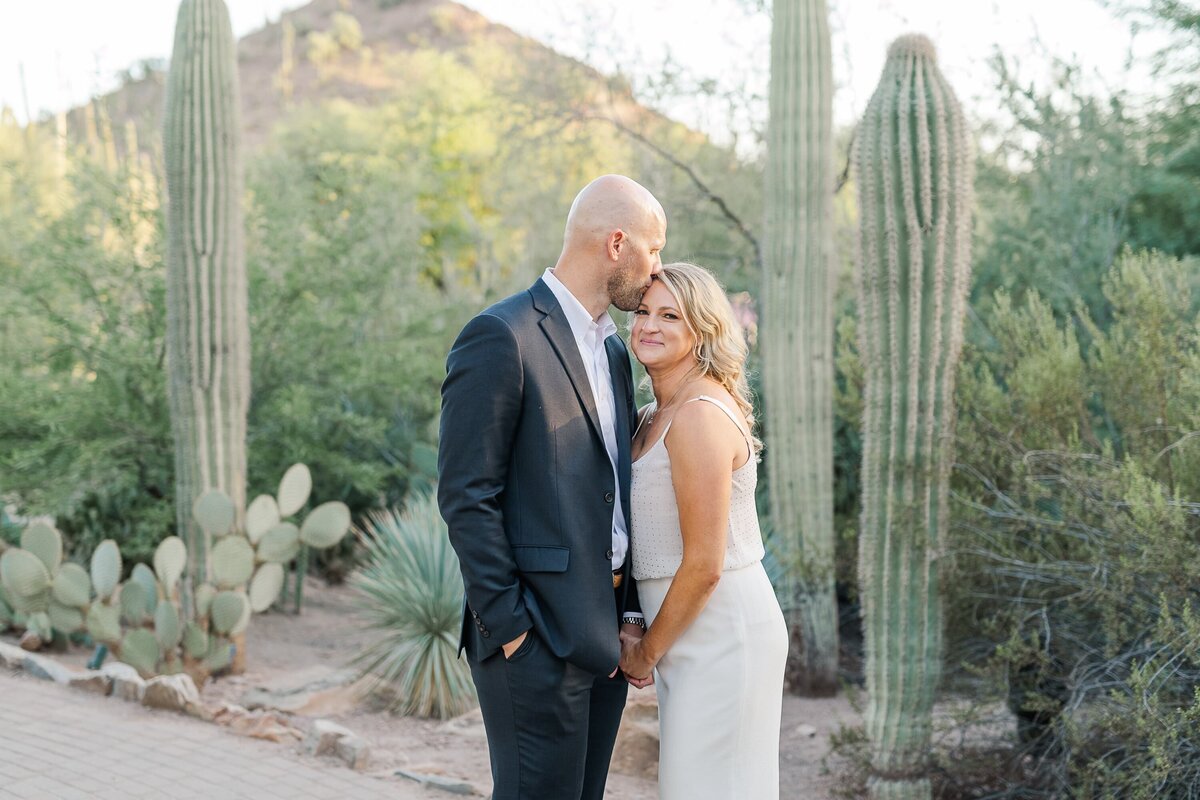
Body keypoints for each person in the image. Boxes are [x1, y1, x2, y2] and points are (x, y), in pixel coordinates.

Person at [438, 174, 667, 800]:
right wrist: (512, 629)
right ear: (618, 243)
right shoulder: (501, 335)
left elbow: (611, 491)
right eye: (655, 249)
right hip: (532, 641)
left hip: (603, 638)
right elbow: (465, 495)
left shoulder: (617, 353)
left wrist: (627, 615)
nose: (658, 270)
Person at [618, 262, 788, 799]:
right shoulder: (651, 414)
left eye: (670, 315)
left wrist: (645, 654)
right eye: (643, 311)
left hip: (723, 633)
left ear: (702, 330)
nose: (649, 324)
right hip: (684, 630)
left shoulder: (698, 415)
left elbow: (704, 564)